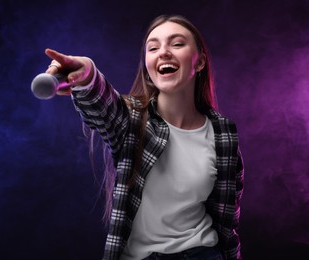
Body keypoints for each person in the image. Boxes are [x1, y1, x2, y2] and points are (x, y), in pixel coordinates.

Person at [44, 14, 244, 260]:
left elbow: (226, 221)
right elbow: (103, 105)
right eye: (153, 47)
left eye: (177, 44)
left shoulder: (222, 134)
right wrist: (87, 75)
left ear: (199, 62)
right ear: (148, 68)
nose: (164, 52)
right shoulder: (132, 119)